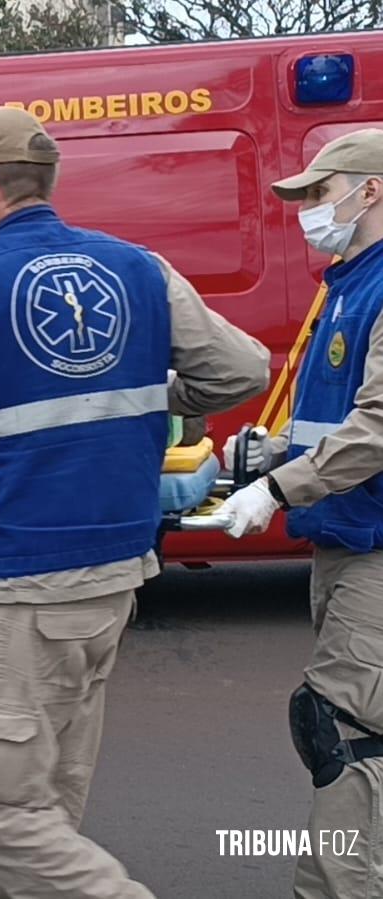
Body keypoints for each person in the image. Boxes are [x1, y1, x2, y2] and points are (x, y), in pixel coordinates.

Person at [0, 106, 269, 898]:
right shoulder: (140, 268)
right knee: (38, 809)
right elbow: (240, 371)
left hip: (28, 579)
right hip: (114, 572)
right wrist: (143, 391)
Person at [218, 129, 383, 899]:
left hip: (375, 549)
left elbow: (378, 428)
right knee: (344, 727)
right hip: (344, 541)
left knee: (343, 732)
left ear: (369, 192)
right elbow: (336, 422)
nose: (307, 210)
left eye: (319, 193)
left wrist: (276, 490)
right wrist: (270, 451)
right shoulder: (348, 282)